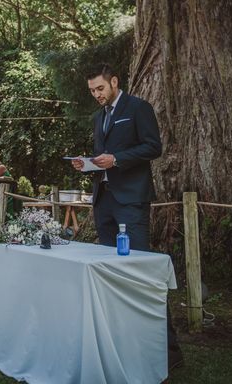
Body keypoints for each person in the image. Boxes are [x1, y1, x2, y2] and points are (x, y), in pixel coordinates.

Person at [71, 63, 182, 369]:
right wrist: (89, 163)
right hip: (104, 202)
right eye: (92, 91)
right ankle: (122, 340)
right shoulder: (99, 117)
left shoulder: (138, 108)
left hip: (131, 202)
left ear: (114, 82)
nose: (97, 95)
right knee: (110, 271)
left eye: (100, 88)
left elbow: (153, 147)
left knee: (141, 270)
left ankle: (168, 351)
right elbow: (102, 157)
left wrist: (117, 158)